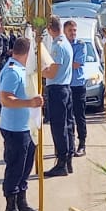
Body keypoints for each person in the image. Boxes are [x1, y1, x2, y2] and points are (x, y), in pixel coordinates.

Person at [0, 34, 43, 211]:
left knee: (25, 167)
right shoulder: (12, 71)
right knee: (15, 167)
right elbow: (5, 99)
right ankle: (10, 207)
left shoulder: (23, 69)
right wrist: (29, 103)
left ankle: (21, 202)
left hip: (26, 127)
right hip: (14, 128)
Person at [43, 21, 74, 178]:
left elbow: (52, 73)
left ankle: (62, 163)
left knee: (59, 127)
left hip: (57, 88)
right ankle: (67, 161)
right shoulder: (66, 43)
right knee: (67, 125)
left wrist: (38, 71)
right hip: (65, 87)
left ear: (50, 29)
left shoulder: (58, 46)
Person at [65, 19, 88, 156]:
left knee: (80, 116)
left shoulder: (80, 45)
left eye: (74, 30)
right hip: (66, 85)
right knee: (68, 117)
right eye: (70, 30)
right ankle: (71, 144)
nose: (73, 33)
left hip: (78, 85)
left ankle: (82, 144)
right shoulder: (62, 44)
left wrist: (62, 64)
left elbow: (76, 64)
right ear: (64, 31)